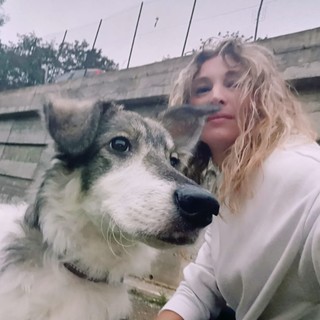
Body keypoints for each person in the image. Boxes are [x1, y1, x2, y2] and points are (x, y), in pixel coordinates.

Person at [155, 38, 320, 320]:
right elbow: (201, 287)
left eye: (234, 83)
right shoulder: (230, 186)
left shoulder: (304, 174)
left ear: (261, 97)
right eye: (202, 89)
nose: (215, 96)